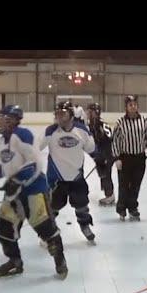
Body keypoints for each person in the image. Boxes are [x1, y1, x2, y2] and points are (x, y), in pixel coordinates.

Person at [0, 105, 67, 279]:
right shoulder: (2, 142)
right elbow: (8, 166)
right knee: (3, 228)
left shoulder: (22, 134)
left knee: (46, 229)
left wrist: (18, 180)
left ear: (12, 120)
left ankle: (60, 261)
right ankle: (15, 261)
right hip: (14, 193)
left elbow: (34, 163)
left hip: (34, 190)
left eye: (3, 118)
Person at [40, 101, 98, 243]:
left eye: (63, 114)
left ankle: (85, 226)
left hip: (76, 177)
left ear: (71, 115)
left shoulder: (82, 130)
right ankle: (47, 233)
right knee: (53, 207)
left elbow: (91, 149)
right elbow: (36, 148)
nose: (59, 117)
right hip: (56, 180)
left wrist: (101, 160)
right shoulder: (50, 131)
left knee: (81, 204)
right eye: (57, 114)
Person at [111, 95, 147, 221]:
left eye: (135, 104)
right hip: (125, 158)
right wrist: (117, 158)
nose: (133, 106)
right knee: (124, 185)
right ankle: (121, 209)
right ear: (126, 107)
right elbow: (115, 141)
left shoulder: (145, 121)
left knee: (136, 185)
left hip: (139, 158)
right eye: (130, 104)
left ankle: (132, 208)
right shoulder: (120, 122)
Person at [86, 103, 115, 206]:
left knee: (106, 175)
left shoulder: (102, 124)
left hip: (107, 154)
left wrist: (107, 155)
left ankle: (110, 196)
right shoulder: (90, 125)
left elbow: (110, 139)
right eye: (88, 111)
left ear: (96, 112)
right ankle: (108, 194)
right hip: (99, 155)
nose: (88, 113)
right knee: (102, 174)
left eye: (91, 111)